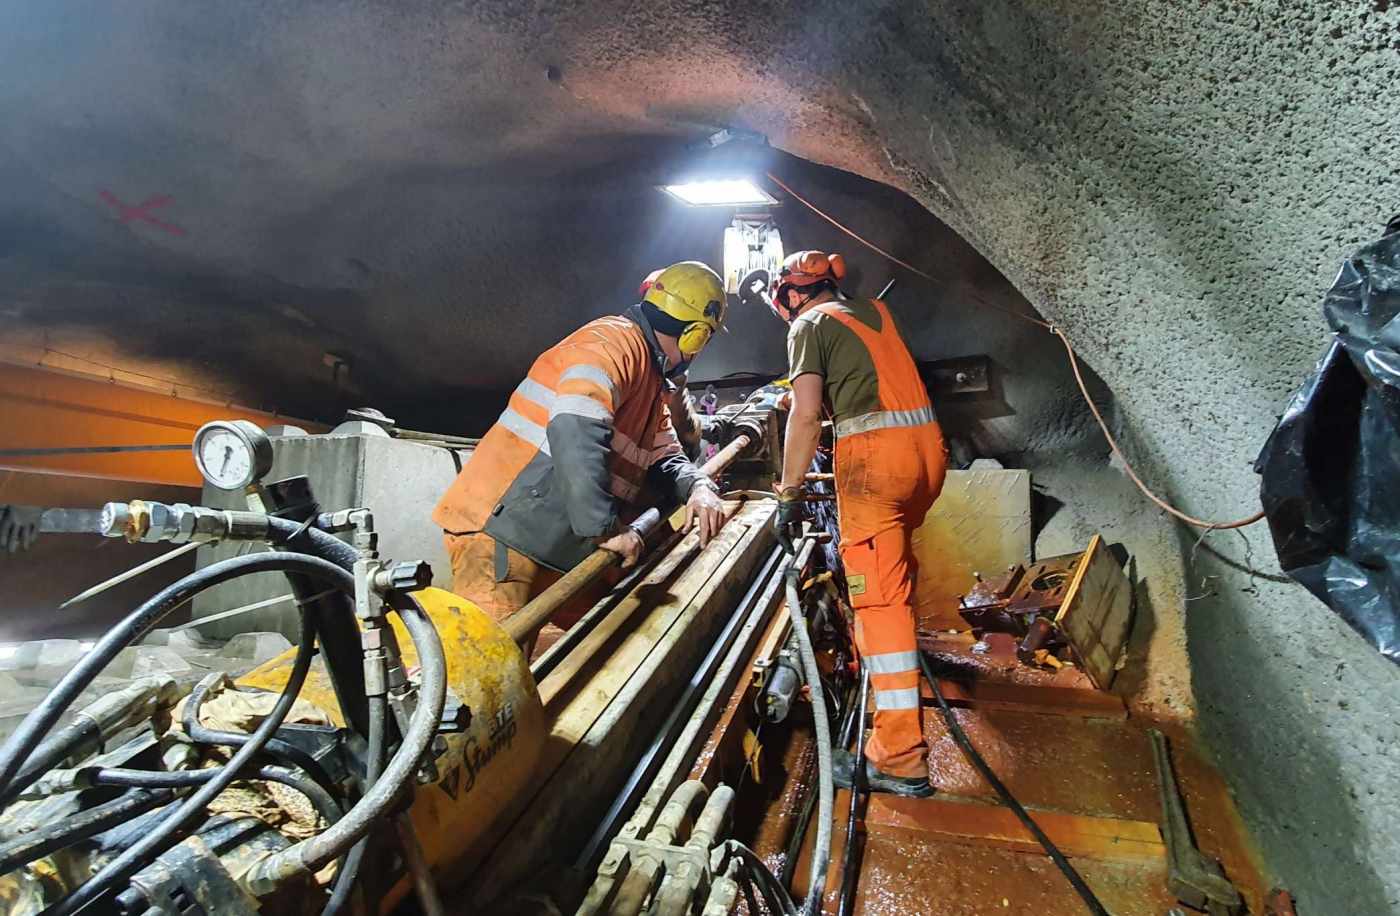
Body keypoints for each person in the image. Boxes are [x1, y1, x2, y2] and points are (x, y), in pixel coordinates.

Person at [432, 261, 729, 653]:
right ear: (695, 335)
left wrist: (699, 486)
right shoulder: (613, 343)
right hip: (502, 531)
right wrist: (607, 530)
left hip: (553, 537)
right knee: (492, 681)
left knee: (608, 647)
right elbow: (575, 423)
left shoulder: (649, 379)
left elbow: (665, 452)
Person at [769, 250, 946, 798]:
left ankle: (899, 758)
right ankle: (897, 705)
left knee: (880, 602)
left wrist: (789, 490)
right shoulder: (873, 312)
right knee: (895, 578)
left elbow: (805, 414)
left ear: (794, 292)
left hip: (875, 461)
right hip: (927, 453)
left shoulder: (807, 324)